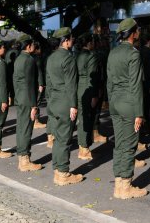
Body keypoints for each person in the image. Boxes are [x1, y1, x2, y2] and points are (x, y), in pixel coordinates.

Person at [107, 18, 148, 199]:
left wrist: (110, 103)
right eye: (137, 29)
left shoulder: (113, 53)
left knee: (120, 144)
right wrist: (140, 112)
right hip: (129, 103)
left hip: (115, 102)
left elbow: (109, 82)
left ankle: (119, 185)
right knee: (130, 145)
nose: (139, 32)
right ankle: (125, 186)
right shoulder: (134, 54)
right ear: (133, 33)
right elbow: (136, 85)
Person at [46, 27, 83, 185]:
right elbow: (71, 84)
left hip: (54, 100)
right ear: (66, 40)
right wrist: (73, 105)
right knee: (64, 139)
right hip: (65, 101)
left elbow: (48, 82)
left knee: (58, 137)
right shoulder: (68, 57)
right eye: (71, 38)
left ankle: (57, 169)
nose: (72, 41)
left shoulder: (52, 57)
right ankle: (63, 173)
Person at [13, 34, 42, 172]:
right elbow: (30, 84)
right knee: (26, 129)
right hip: (27, 97)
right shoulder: (29, 60)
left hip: (20, 96)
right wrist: (33, 105)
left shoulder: (19, 59)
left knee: (21, 127)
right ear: (29, 46)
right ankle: (24, 160)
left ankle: (22, 157)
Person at [75, 32, 100, 160]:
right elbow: (93, 76)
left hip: (78, 87)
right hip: (87, 88)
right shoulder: (91, 56)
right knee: (87, 118)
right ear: (89, 43)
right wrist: (95, 95)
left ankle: (82, 146)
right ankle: (84, 148)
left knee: (81, 117)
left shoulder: (77, 56)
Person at [139, 33, 150, 134]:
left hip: (141, 81)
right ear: (149, 41)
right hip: (147, 82)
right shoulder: (149, 52)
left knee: (142, 105)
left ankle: (144, 125)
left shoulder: (139, 51)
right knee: (146, 106)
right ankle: (146, 126)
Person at [32, 42, 46, 129]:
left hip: (32, 83)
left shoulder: (30, 57)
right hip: (37, 83)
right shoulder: (37, 58)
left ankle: (34, 120)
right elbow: (40, 72)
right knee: (37, 101)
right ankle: (36, 121)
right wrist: (41, 83)